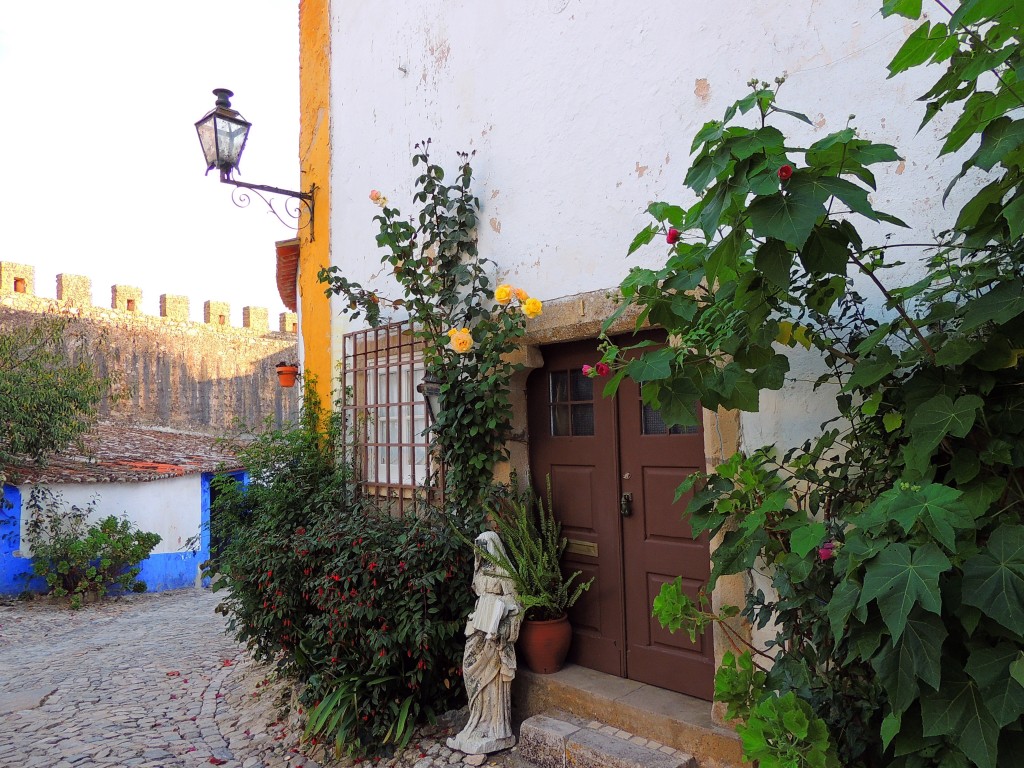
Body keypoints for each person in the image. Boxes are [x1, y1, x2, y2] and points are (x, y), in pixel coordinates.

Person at [447, 531, 522, 755]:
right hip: (478, 627)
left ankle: (496, 729)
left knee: (493, 678)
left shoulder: (505, 572)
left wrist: (503, 615)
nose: (480, 554)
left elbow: (517, 603)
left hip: (496, 631)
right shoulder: (479, 570)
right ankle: (476, 722)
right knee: (469, 669)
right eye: (478, 549)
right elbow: (478, 594)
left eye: (484, 549)